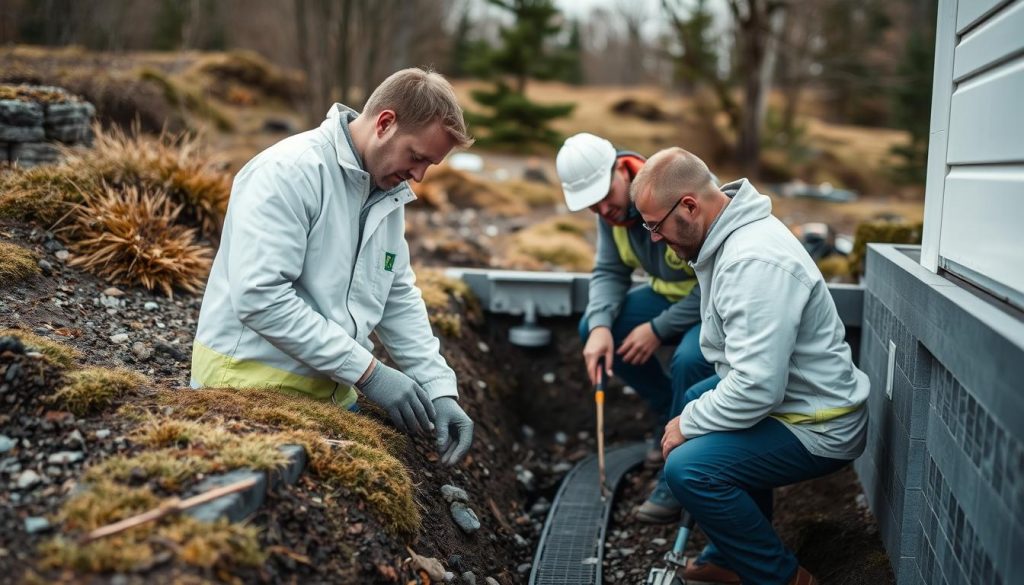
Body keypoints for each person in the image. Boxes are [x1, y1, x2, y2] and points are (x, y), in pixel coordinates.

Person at [191, 68, 474, 466]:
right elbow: (261, 298)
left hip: (330, 392)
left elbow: (396, 294)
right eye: (416, 156)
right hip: (246, 389)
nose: (419, 176)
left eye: (430, 166)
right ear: (386, 123)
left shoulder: (385, 189)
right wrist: (371, 374)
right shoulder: (289, 172)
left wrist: (440, 388)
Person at [631, 147, 869, 585]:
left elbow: (757, 388)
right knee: (692, 397)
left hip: (820, 422)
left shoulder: (752, 262)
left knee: (690, 469)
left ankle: (782, 577)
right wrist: (695, 414)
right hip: (795, 401)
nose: (655, 239)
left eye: (654, 225)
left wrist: (689, 425)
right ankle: (727, 557)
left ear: (689, 205)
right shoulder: (729, 238)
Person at [555, 133, 714, 523]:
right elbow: (610, 271)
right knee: (594, 328)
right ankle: (668, 416)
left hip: (710, 304)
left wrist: (658, 329)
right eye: (591, 204)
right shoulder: (611, 215)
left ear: (621, 170)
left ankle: (678, 474)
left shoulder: (668, 194)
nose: (603, 208)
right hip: (666, 297)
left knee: (690, 360)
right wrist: (599, 327)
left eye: (605, 194)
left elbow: (714, 282)